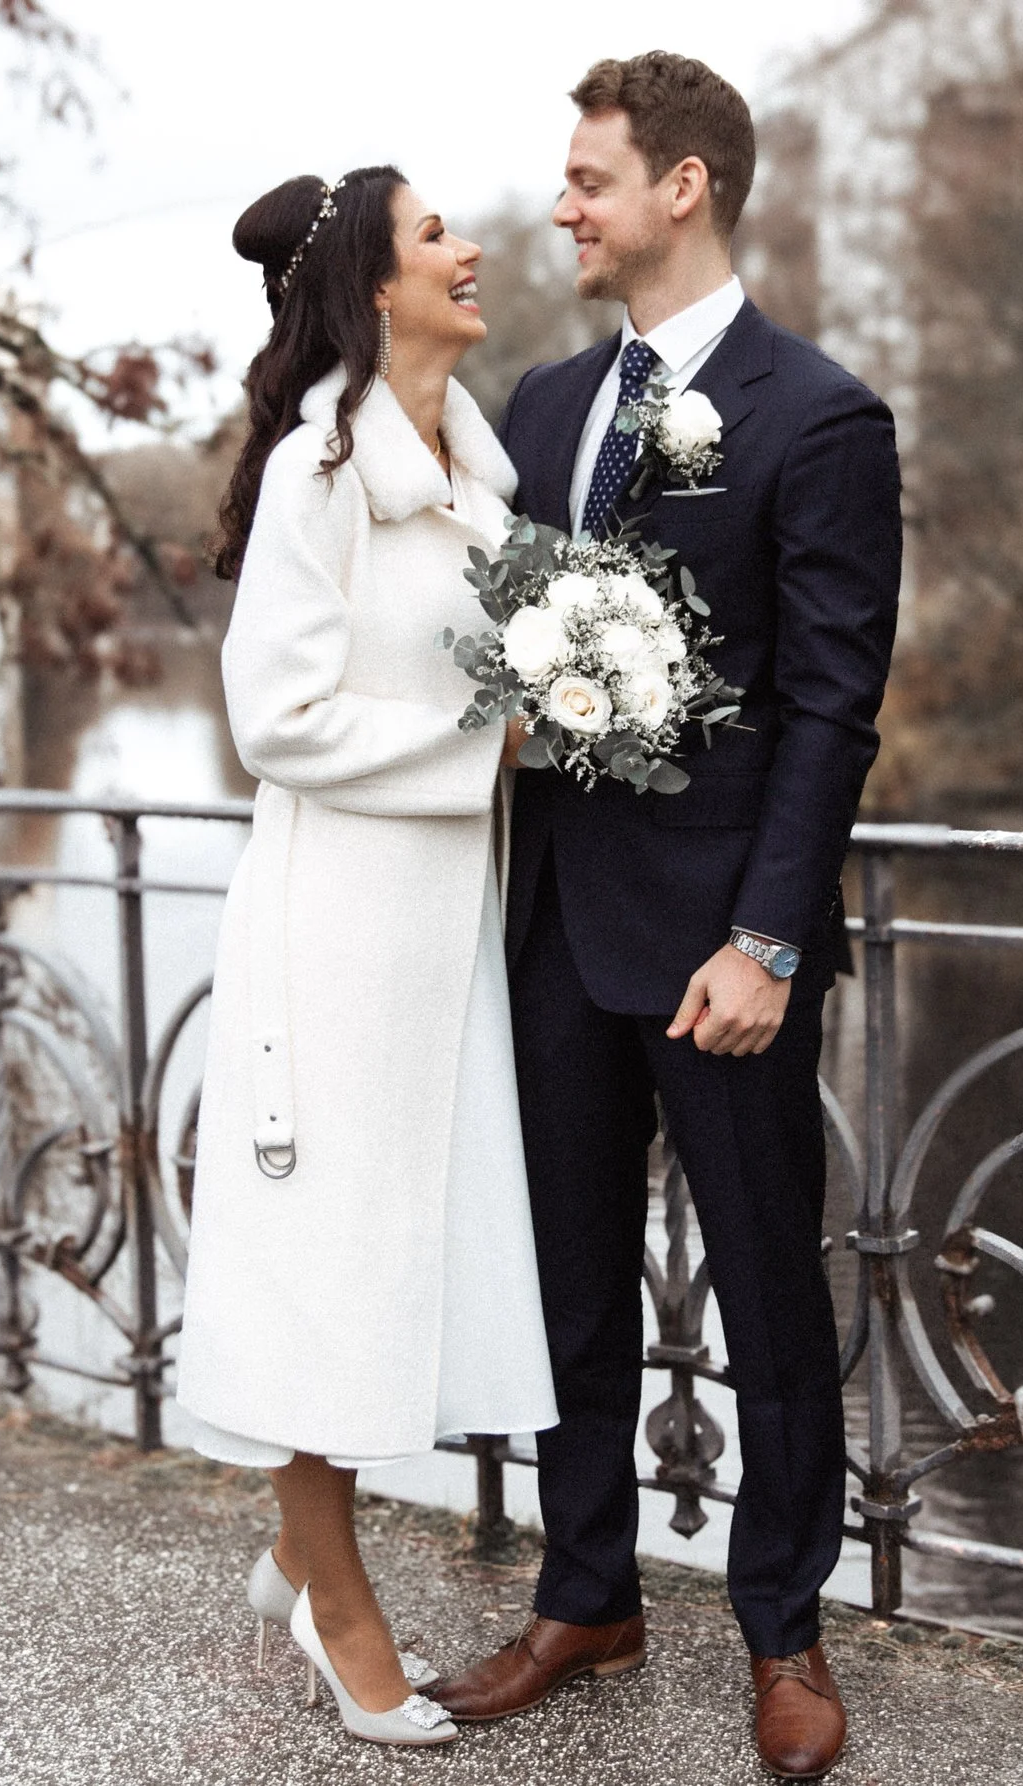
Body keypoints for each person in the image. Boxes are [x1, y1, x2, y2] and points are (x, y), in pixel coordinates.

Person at [428, 53, 902, 1782]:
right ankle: (588, 1593)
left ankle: (784, 1630)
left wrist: (769, 938)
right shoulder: (543, 408)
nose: (564, 208)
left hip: (721, 949)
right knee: (567, 1285)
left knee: (771, 1297)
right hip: (555, 918)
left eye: (590, 179)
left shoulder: (820, 416)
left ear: (683, 186)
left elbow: (834, 706)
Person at [172, 164, 558, 1750]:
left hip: (440, 936)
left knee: (403, 1256)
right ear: (374, 289)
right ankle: (340, 1609)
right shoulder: (318, 473)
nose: (471, 253)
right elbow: (273, 719)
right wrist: (489, 742)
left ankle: (295, 1541)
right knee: (325, 1270)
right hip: (334, 931)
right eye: (435, 237)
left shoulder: (481, 476)